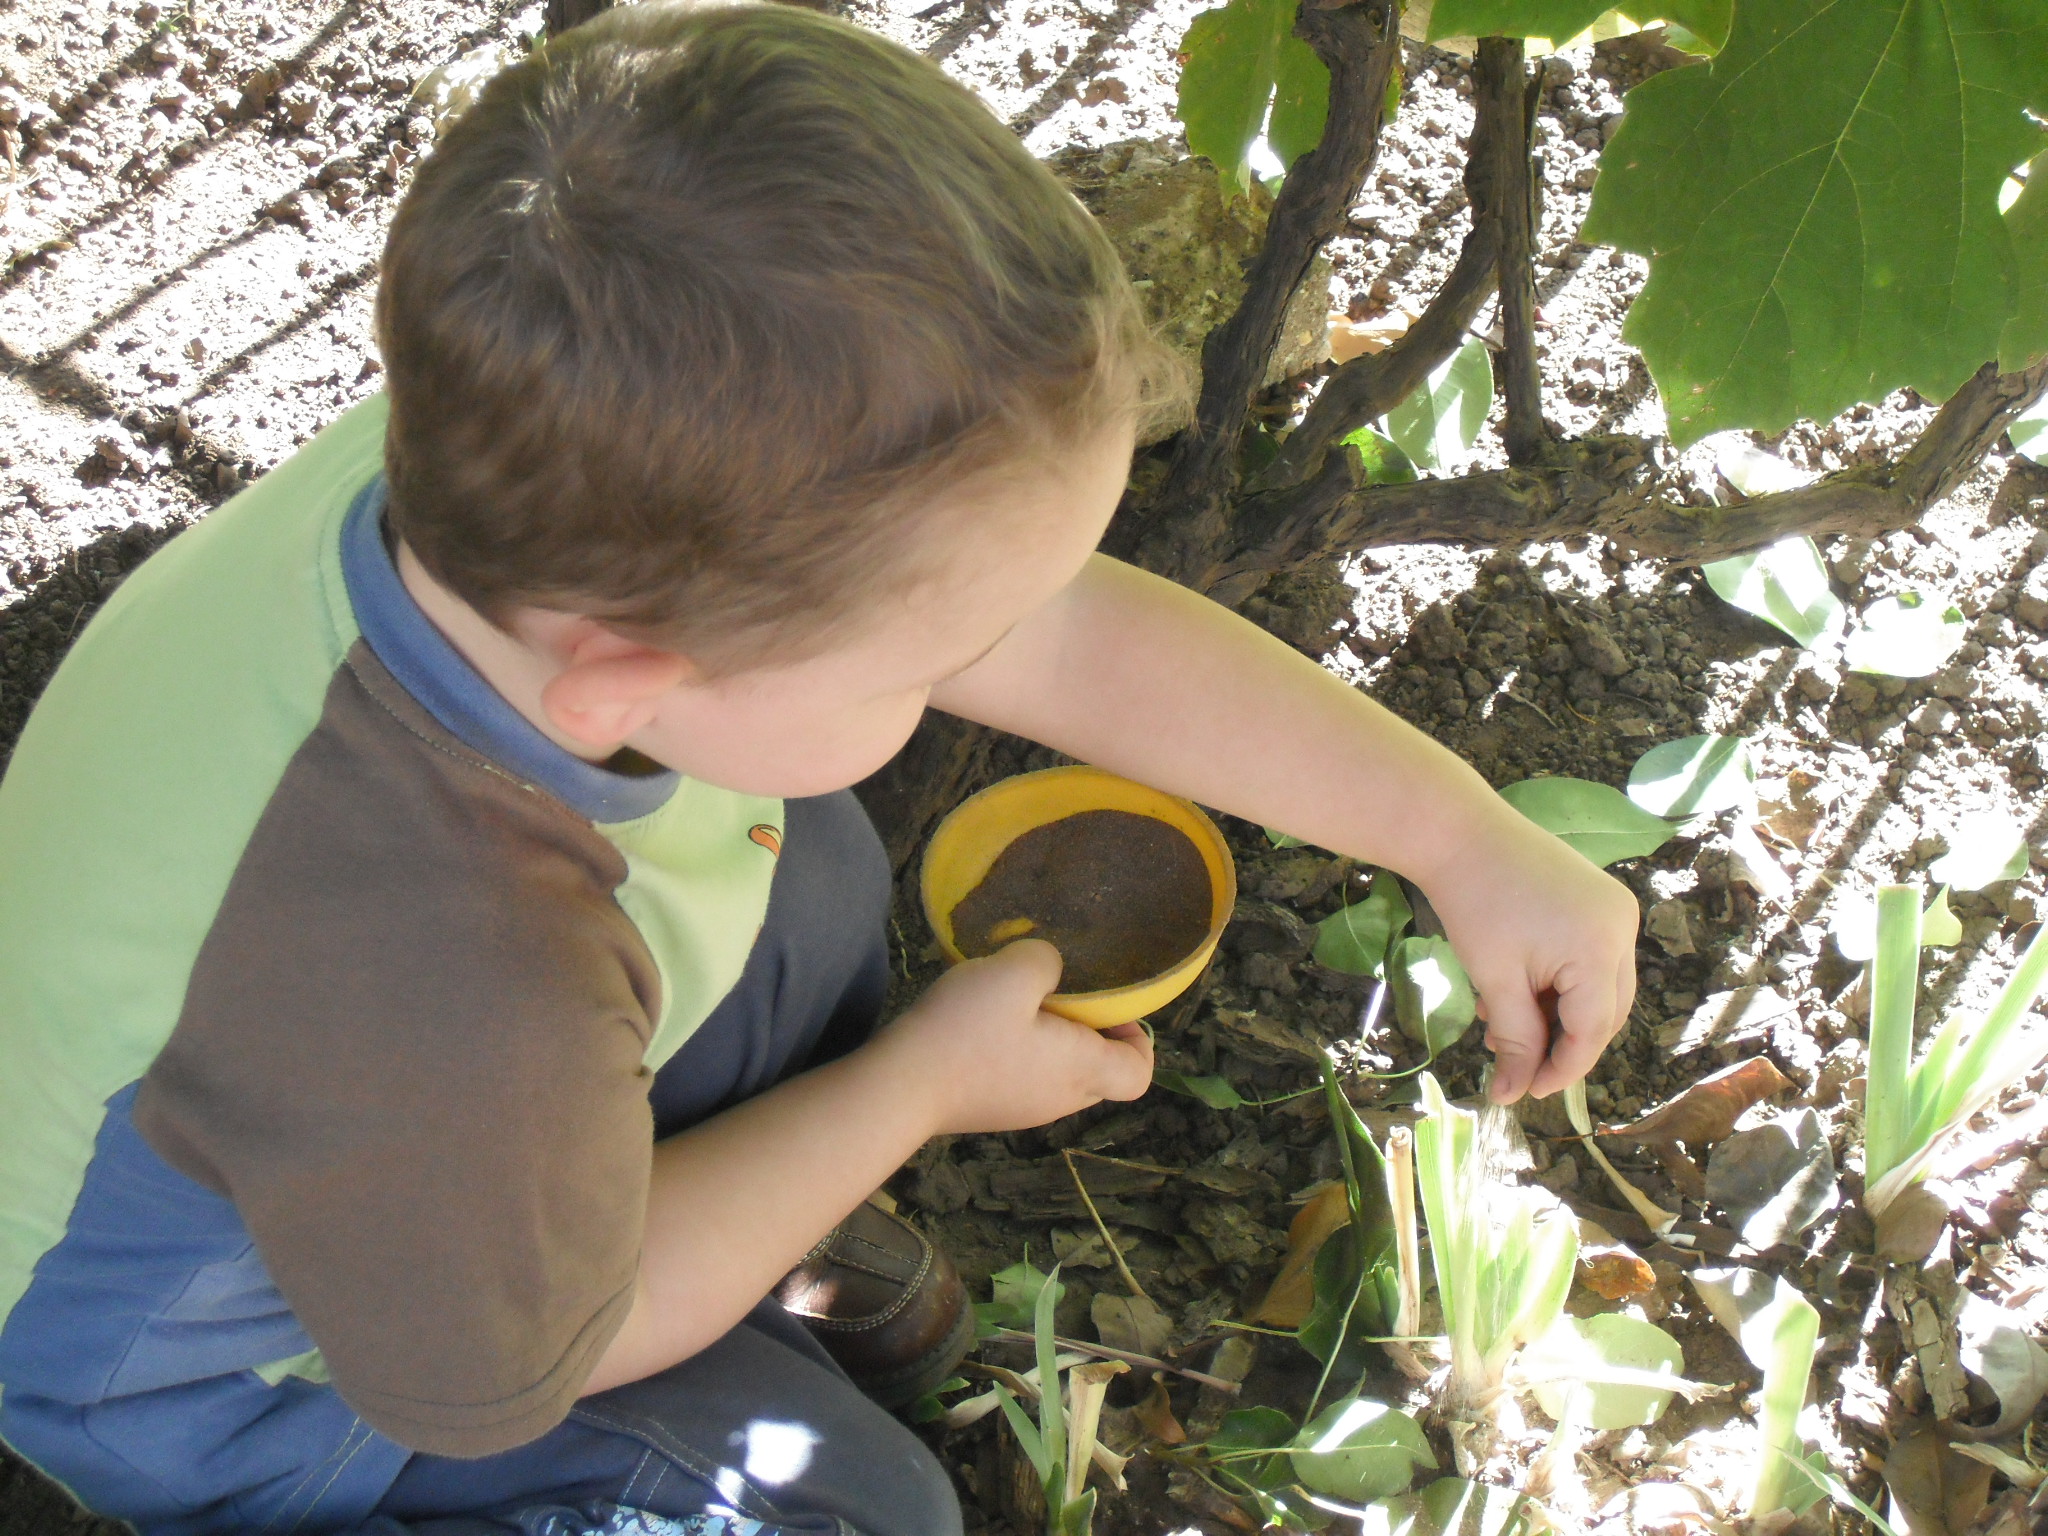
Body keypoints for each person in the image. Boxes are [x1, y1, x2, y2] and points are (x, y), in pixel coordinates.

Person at [0, 4, 1639, 1533]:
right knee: (861, 1508)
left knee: (818, 871)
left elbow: (1060, 637)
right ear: (630, 684)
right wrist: (915, 1087)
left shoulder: (546, 463)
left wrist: (1454, 833)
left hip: (407, 1138)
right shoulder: (433, 971)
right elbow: (546, 1354)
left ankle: (744, 1208)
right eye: (928, 662)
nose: (978, 676)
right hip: (264, 1386)